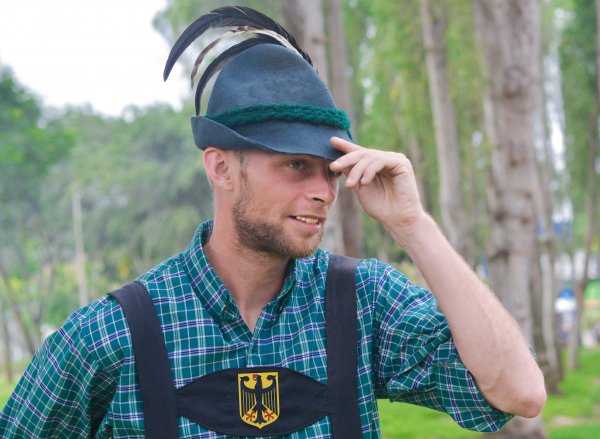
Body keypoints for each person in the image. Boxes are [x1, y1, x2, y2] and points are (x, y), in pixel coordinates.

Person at [0, 6, 545, 438]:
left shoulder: (364, 304)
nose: (322, 192)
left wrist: (412, 224)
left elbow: (518, 394)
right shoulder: (109, 337)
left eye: (330, 171)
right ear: (221, 167)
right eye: (294, 166)